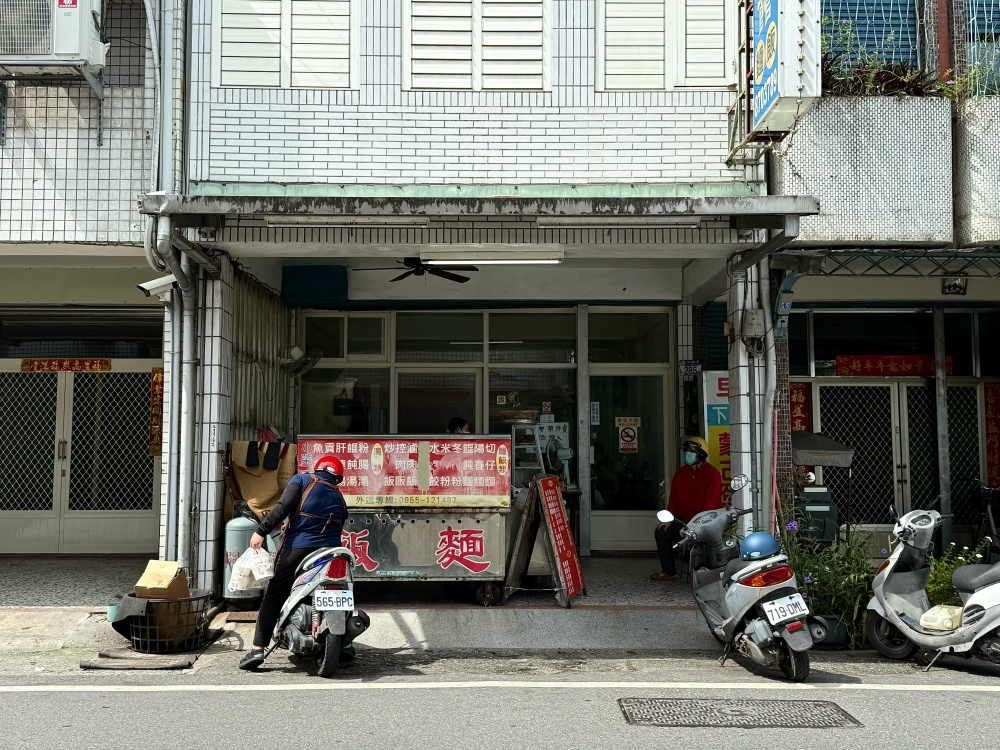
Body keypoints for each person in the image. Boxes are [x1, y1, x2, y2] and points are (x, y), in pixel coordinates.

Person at [238, 454, 349, 670]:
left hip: (298, 549)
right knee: (341, 591)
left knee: (275, 594)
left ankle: (258, 649)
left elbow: (283, 507)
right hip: (332, 553)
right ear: (337, 477)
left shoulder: (302, 480)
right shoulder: (338, 496)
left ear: (317, 469)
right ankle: (344, 644)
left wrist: (261, 531)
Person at [650, 436, 723, 581]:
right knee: (662, 532)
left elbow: (712, 503)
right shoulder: (680, 473)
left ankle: (704, 572)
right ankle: (669, 572)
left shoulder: (712, 474)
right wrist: (669, 519)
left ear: (700, 454)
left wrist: (698, 524)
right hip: (683, 522)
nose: (687, 455)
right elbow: (674, 500)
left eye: (691, 451)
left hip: (704, 523)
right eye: (686, 451)